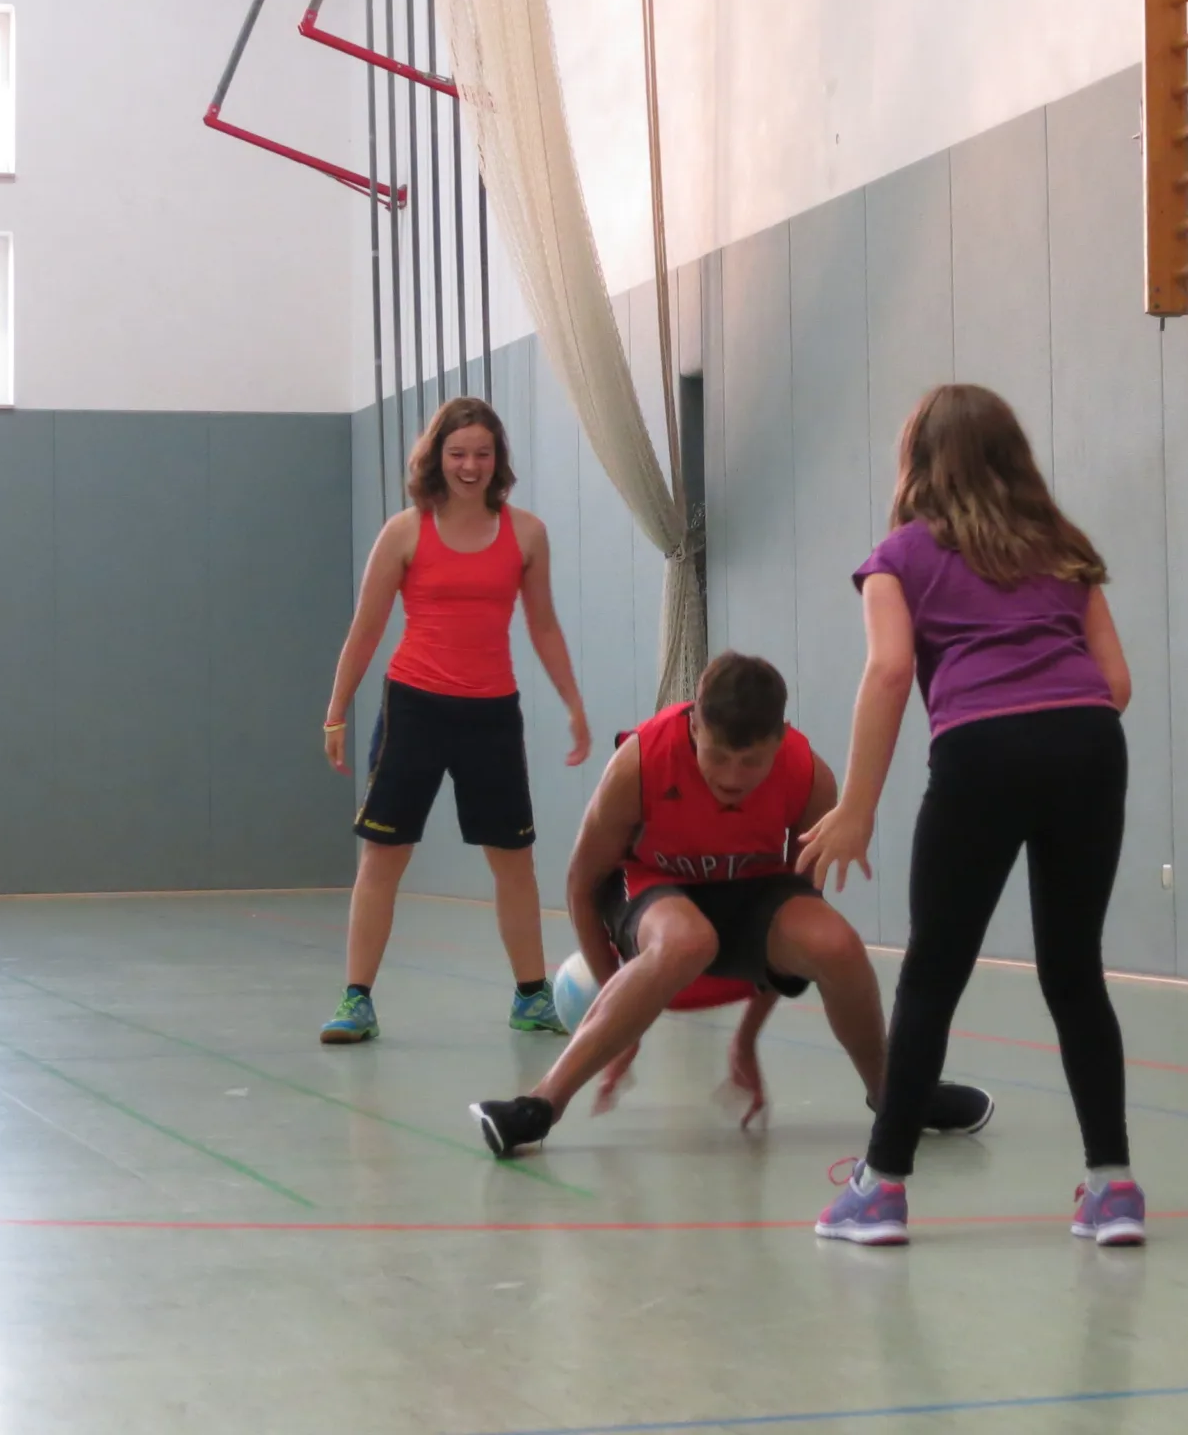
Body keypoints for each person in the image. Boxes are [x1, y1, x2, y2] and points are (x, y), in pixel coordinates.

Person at [800, 384, 1142, 1248]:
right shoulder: (1064, 548)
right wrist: (1056, 730)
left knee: (933, 975)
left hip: (980, 753)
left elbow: (888, 673)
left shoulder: (899, 557)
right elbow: (1117, 684)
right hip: (1089, 743)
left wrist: (855, 809)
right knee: (1075, 972)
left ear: (917, 461)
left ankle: (881, 1190)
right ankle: (1113, 1189)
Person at [466, 652, 993, 1159]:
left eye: (751, 762)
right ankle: (539, 1105)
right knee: (685, 940)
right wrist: (618, 1022)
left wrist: (748, 1037)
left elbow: (797, 915)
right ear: (695, 727)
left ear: (779, 740)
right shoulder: (642, 763)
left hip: (747, 893)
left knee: (835, 943)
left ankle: (894, 1097)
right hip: (650, 887)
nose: (733, 777)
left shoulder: (809, 778)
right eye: (718, 756)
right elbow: (582, 883)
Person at [320, 397, 589, 1042]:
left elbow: (543, 625)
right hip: (414, 708)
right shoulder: (405, 532)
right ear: (436, 457)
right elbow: (367, 627)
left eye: (483, 454)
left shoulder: (527, 534)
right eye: (458, 453)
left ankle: (531, 996)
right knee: (384, 856)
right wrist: (336, 710)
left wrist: (573, 704)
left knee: (513, 859)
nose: (470, 465)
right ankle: (357, 1000)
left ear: (498, 461)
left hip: (491, 714)